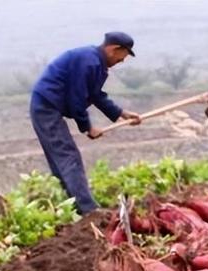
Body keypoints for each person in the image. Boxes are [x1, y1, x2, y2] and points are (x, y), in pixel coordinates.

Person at [30, 32, 142, 214]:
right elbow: (77, 98)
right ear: (114, 49)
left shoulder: (96, 63)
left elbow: (95, 95)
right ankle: (88, 210)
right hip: (46, 106)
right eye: (123, 56)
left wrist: (121, 113)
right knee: (68, 156)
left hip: (49, 106)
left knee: (61, 159)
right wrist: (87, 127)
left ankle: (74, 207)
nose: (122, 61)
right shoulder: (88, 62)